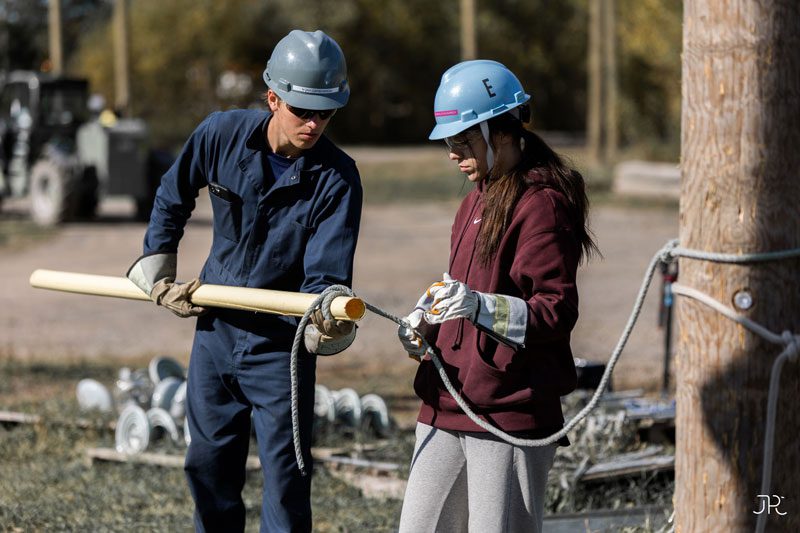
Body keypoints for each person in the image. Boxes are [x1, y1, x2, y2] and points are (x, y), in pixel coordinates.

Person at [126, 30, 362, 532]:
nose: (315, 123)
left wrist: (325, 315)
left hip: (281, 346)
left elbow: (325, 274)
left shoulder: (338, 179)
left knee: (286, 481)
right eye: (303, 110)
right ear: (273, 98)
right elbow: (173, 193)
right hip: (214, 331)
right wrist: (158, 262)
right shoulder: (221, 135)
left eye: (327, 112)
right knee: (208, 468)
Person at [396, 60, 598, 533]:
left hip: (509, 412)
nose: (453, 154)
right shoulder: (474, 200)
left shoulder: (543, 204)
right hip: (447, 400)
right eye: (449, 142)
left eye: (463, 140)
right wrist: (427, 319)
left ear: (500, 131)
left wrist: (481, 308)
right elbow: (459, 286)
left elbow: (556, 311)